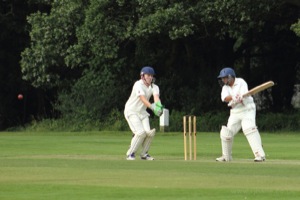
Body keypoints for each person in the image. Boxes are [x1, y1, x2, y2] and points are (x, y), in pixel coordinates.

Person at [216, 67, 266, 162]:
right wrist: (234, 97)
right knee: (227, 132)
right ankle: (226, 156)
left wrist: (240, 97)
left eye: (225, 78)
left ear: (230, 77)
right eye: (222, 78)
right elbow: (225, 98)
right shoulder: (225, 88)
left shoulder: (241, 82)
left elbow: (244, 94)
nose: (223, 80)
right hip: (235, 111)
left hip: (247, 109)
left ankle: (260, 155)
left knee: (248, 128)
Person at [124, 66, 163, 160]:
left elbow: (156, 98)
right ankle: (130, 154)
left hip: (142, 113)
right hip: (131, 111)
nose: (150, 77)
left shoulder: (155, 87)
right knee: (141, 133)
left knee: (149, 133)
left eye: (151, 75)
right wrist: (152, 107)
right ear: (142, 76)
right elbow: (143, 99)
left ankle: (144, 154)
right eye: (148, 75)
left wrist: (159, 107)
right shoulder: (138, 84)